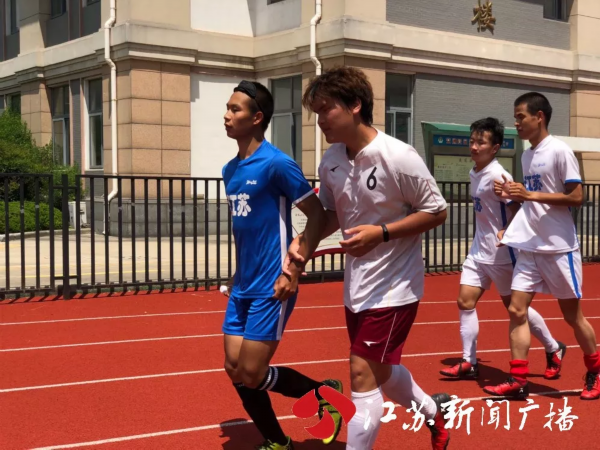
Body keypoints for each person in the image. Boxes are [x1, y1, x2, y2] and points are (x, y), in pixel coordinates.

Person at [285, 66, 452, 450]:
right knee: (383, 372)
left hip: (395, 287)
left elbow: (437, 211)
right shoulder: (331, 160)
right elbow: (330, 214)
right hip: (357, 284)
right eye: (316, 111)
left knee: (361, 373)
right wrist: (302, 245)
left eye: (326, 109)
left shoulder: (398, 156)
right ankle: (434, 412)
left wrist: (382, 232)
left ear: (355, 105)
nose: (320, 119)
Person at [221, 80, 344, 450]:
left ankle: (325, 397)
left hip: (272, 284)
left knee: (252, 372)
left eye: (235, 109)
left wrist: (293, 270)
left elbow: (318, 215)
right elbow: (247, 229)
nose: (227, 115)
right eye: (227, 108)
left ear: (257, 118)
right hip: (243, 285)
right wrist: (236, 274)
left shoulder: (277, 164)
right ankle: (279, 442)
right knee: (234, 368)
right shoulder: (230, 170)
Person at [483, 92, 600, 400]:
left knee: (573, 317)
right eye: (515, 117)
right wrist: (511, 195)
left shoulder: (559, 150)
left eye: (521, 117)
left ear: (539, 117)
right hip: (531, 248)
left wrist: (529, 195)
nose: (516, 123)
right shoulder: (527, 156)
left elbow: (577, 197)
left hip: (559, 248)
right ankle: (518, 378)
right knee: (516, 309)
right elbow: (530, 200)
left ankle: (595, 371)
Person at [440, 117, 566, 381]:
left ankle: (553, 347)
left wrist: (507, 232)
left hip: (502, 254)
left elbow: (519, 209)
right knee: (464, 301)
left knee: (516, 309)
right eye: (472, 141)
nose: (474, 147)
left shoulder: (499, 175)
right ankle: (469, 361)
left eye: (481, 142)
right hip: (478, 252)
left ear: (495, 147)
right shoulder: (474, 172)